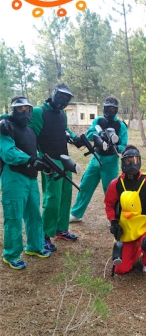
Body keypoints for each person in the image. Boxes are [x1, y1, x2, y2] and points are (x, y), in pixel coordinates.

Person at [28, 83, 84, 252]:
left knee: (66, 195)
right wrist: (37, 159)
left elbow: (65, 131)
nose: (63, 100)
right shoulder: (38, 112)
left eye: (67, 98)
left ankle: (60, 229)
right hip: (49, 160)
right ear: (54, 94)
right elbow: (29, 134)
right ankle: (45, 235)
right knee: (52, 198)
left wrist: (75, 138)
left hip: (64, 159)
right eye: (61, 96)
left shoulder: (62, 115)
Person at [0, 97, 52, 270]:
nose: (24, 112)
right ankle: (11, 254)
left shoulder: (30, 130)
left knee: (33, 214)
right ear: (13, 110)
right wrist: (30, 159)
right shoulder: (5, 127)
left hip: (31, 178)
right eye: (19, 109)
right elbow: (8, 153)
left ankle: (35, 246)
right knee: (14, 216)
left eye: (27, 109)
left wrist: (42, 163)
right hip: (13, 178)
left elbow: (35, 152)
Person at [104, 145, 146, 274]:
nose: (132, 164)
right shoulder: (116, 183)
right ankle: (135, 250)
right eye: (128, 161)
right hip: (127, 230)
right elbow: (109, 204)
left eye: (135, 160)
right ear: (123, 162)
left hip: (144, 227)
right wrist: (113, 222)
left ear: (139, 160)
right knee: (121, 269)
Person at [69, 96, 128, 222]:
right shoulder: (98, 121)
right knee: (85, 185)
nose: (110, 111)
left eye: (113, 109)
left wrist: (114, 147)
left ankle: (115, 217)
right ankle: (76, 214)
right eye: (108, 108)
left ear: (116, 110)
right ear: (104, 108)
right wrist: (100, 135)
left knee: (111, 190)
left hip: (111, 161)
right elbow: (90, 134)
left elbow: (123, 145)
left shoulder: (120, 125)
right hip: (95, 158)